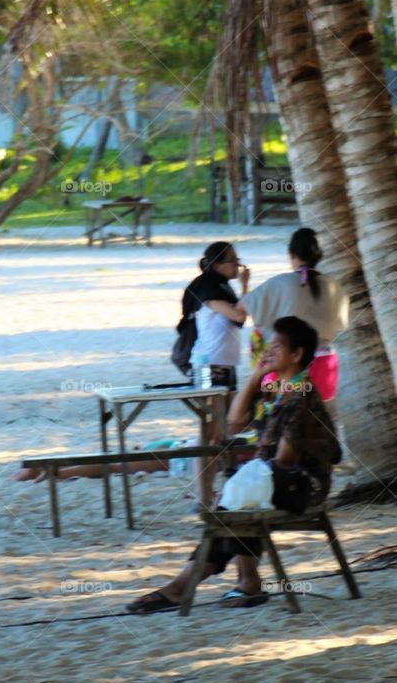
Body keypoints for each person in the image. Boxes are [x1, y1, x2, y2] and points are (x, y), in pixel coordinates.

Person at [127, 315, 341, 613]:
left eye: (277, 347)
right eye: (269, 345)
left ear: (296, 354)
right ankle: (241, 582)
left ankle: (193, 585)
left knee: (233, 501)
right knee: (234, 497)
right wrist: (255, 376)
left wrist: (240, 484)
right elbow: (234, 422)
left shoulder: (300, 397)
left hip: (303, 484)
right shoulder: (277, 388)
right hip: (278, 478)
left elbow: (284, 461)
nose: (268, 351)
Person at [239, 227, 347, 402]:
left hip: (288, 368)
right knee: (318, 421)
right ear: (319, 256)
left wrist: (244, 286)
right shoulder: (335, 286)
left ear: (291, 254)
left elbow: (241, 309)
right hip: (325, 367)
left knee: (278, 418)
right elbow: (341, 325)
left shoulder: (280, 283)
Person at [178, 240, 250, 390]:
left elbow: (241, 314)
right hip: (209, 365)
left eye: (237, 259)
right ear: (218, 266)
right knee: (220, 412)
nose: (237, 264)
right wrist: (244, 286)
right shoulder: (210, 291)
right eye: (232, 260)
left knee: (226, 411)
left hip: (223, 363)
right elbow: (239, 316)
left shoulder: (222, 288)